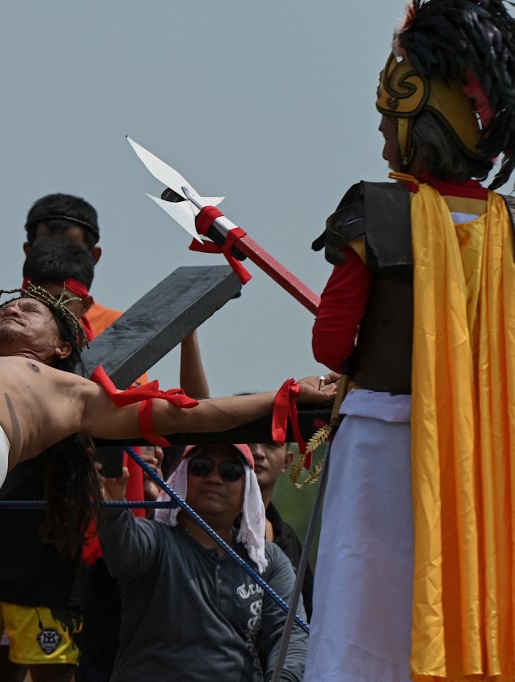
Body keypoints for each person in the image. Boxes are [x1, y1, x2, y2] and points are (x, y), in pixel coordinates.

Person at [0, 285, 334, 599]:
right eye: (7, 309)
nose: (13, 311)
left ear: (60, 345)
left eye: (28, 312)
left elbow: (188, 415)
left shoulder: (71, 391)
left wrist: (282, 394)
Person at [309, 1, 515, 678]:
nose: (381, 143)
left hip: (381, 449)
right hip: (485, 454)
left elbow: (332, 344)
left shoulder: (377, 208)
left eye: (385, 124)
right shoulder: (507, 226)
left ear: (418, 121)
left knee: (361, 623)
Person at [0, 239, 100, 682]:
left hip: (48, 552)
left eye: (61, 304)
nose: (43, 308)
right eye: (32, 299)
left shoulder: (90, 387)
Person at [97, 443, 308, 681]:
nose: (215, 478)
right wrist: (112, 506)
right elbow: (120, 551)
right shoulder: (154, 540)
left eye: (230, 472)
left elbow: (290, 637)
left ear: (248, 488)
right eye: (202, 467)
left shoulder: (268, 560)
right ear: (182, 477)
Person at [248, 441, 313, 619]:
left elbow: (308, 616)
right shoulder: (215, 527)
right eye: (249, 440)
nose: (258, 452)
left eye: (271, 444)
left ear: (287, 461)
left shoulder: (289, 538)